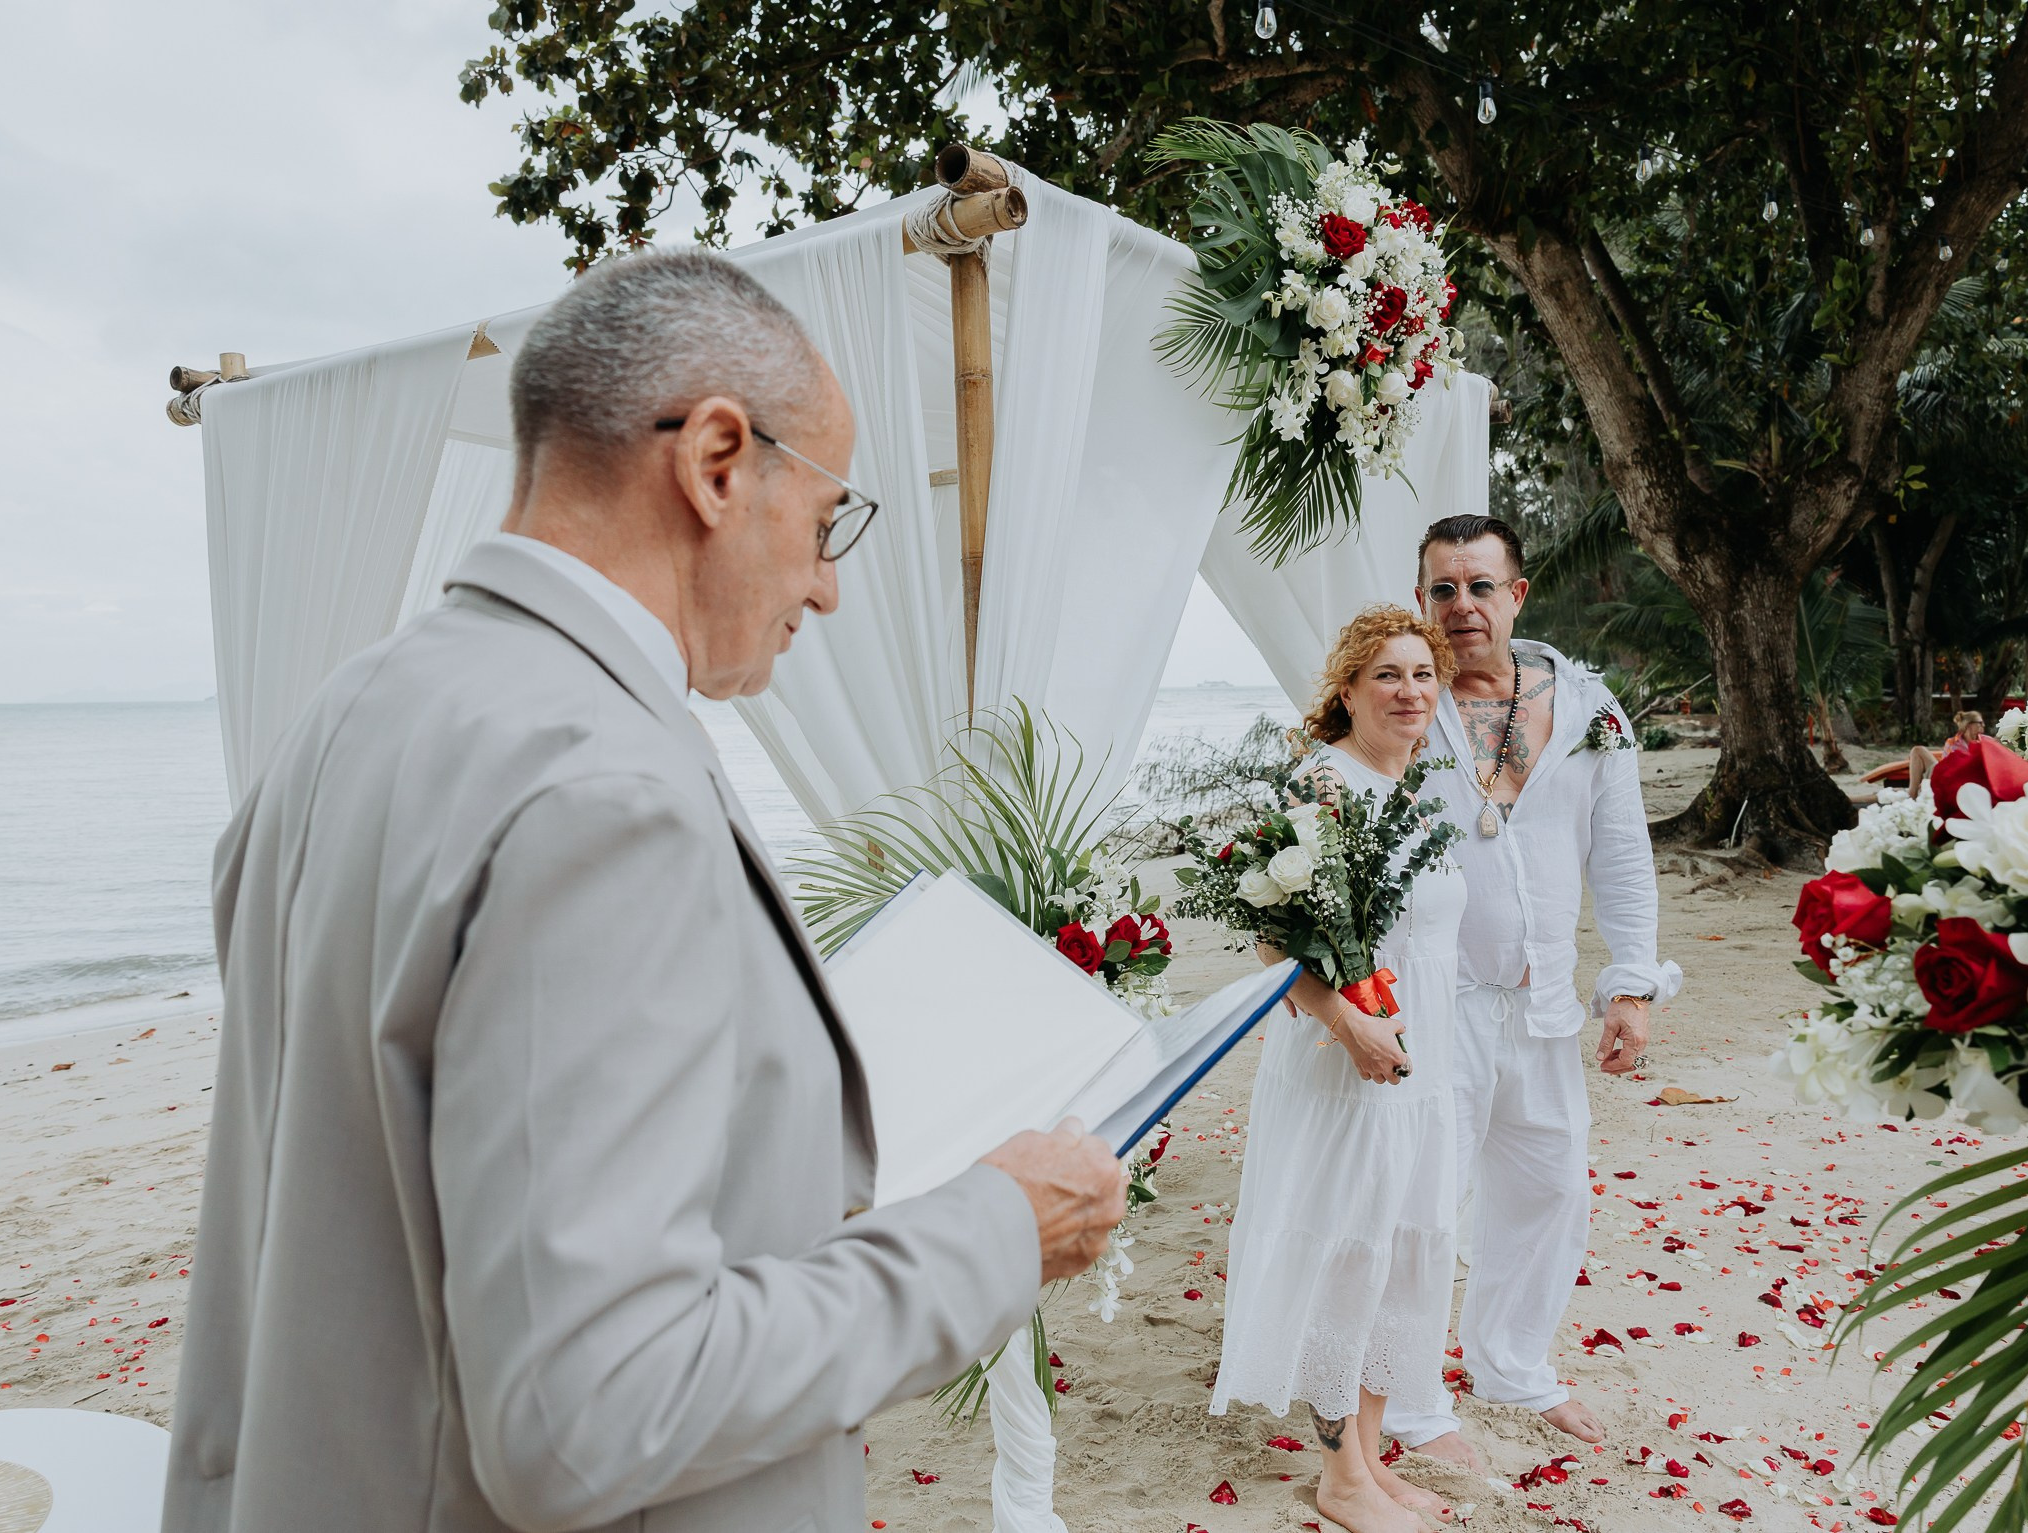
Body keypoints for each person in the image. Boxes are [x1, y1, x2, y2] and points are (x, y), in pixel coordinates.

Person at [161, 250, 1127, 1533]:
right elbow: (587, 1412)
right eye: (828, 518)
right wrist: (994, 1231)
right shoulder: (603, 790)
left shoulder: (344, 715)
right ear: (717, 462)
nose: (828, 585)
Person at [1380, 514, 1679, 1459]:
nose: (1460, 607)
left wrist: (1630, 985)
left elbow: (1623, 855)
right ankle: (1413, 1397)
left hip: (1545, 1000)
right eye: (1441, 589)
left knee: (1549, 1191)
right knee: (1423, 1199)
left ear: (1517, 594)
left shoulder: (1591, 709)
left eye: (1478, 587)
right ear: (1421, 599)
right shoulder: (1400, 703)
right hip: (1434, 998)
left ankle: (1510, 1363)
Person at [1211, 606, 1469, 1533]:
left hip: (1421, 1065)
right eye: (1387, 676)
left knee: (1404, 1246)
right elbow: (1273, 942)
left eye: (1423, 674)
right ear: (1348, 693)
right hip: (1343, 1067)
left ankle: (1369, 1454)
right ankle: (1339, 1475)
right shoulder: (1322, 785)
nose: (1409, 692)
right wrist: (1351, 1029)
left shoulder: (1412, 794)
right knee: (1347, 1251)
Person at [1862, 710, 1985, 798]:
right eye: (1980, 722)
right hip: (1946, 776)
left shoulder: (1984, 742)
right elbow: (1948, 767)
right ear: (1969, 725)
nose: (1983, 725)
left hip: (1963, 779)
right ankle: (1912, 792)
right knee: (1918, 750)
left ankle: (1911, 791)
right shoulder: (1953, 743)